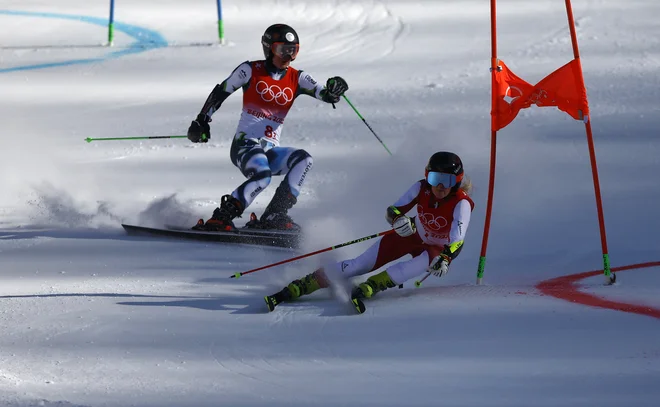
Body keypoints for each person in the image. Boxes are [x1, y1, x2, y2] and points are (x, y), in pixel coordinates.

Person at [265, 151, 475, 313]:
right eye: (435, 178)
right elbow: (393, 209)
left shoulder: (461, 203)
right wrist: (397, 219)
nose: (439, 186)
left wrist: (446, 258)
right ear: (427, 176)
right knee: (360, 264)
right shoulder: (422, 188)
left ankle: (372, 286)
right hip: (409, 235)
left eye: (447, 180)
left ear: (456, 181)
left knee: (413, 267)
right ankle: (304, 284)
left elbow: (458, 239)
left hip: (435, 249)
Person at [187, 23, 349, 232]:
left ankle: (275, 214)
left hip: (270, 149)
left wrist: (336, 89)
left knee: (303, 159)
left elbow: (326, 94)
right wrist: (202, 120)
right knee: (263, 176)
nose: (288, 57)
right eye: (283, 50)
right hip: (245, 145)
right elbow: (221, 91)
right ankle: (221, 217)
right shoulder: (249, 70)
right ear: (269, 49)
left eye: (293, 51)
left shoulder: (297, 78)